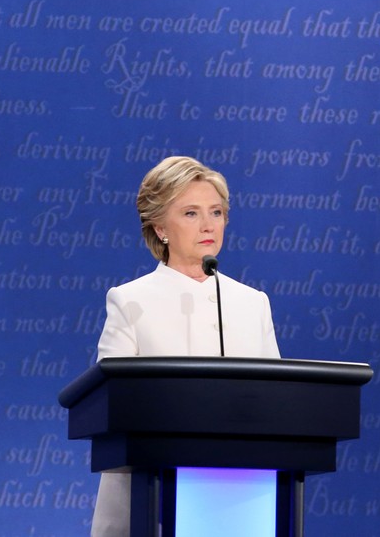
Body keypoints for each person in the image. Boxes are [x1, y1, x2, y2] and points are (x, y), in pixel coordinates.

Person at [90, 156, 281, 536]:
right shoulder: (130, 301)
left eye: (217, 212)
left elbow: (277, 403)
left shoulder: (252, 302)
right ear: (160, 227)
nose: (209, 224)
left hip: (241, 499)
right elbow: (110, 406)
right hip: (150, 498)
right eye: (191, 213)